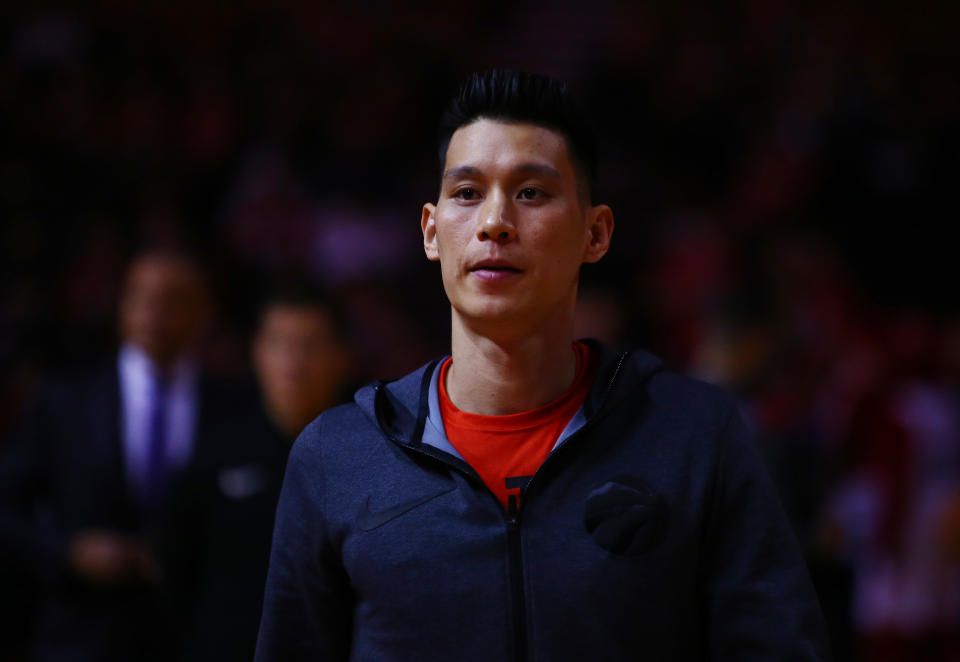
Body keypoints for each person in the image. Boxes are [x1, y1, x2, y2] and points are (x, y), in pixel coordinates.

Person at [255, 70, 830, 661]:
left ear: (596, 232)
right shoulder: (336, 455)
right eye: (467, 193)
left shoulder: (694, 436)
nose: (495, 222)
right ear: (431, 232)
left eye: (531, 193)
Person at [0, 248, 230, 662]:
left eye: (173, 298)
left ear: (204, 311)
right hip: (80, 633)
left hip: (193, 635)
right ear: (122, 305)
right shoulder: (64, 401)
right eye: (141, 296)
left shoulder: (233, 406)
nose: (154, 312)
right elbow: (9, 505)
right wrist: (68, 551)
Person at [164, 285, 351, 662]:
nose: (294, 364)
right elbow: (175, 573)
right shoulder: (213, 449)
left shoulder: (369, 453)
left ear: (340, 356)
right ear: (258, 352)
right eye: (280, 344)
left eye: (310, 346)